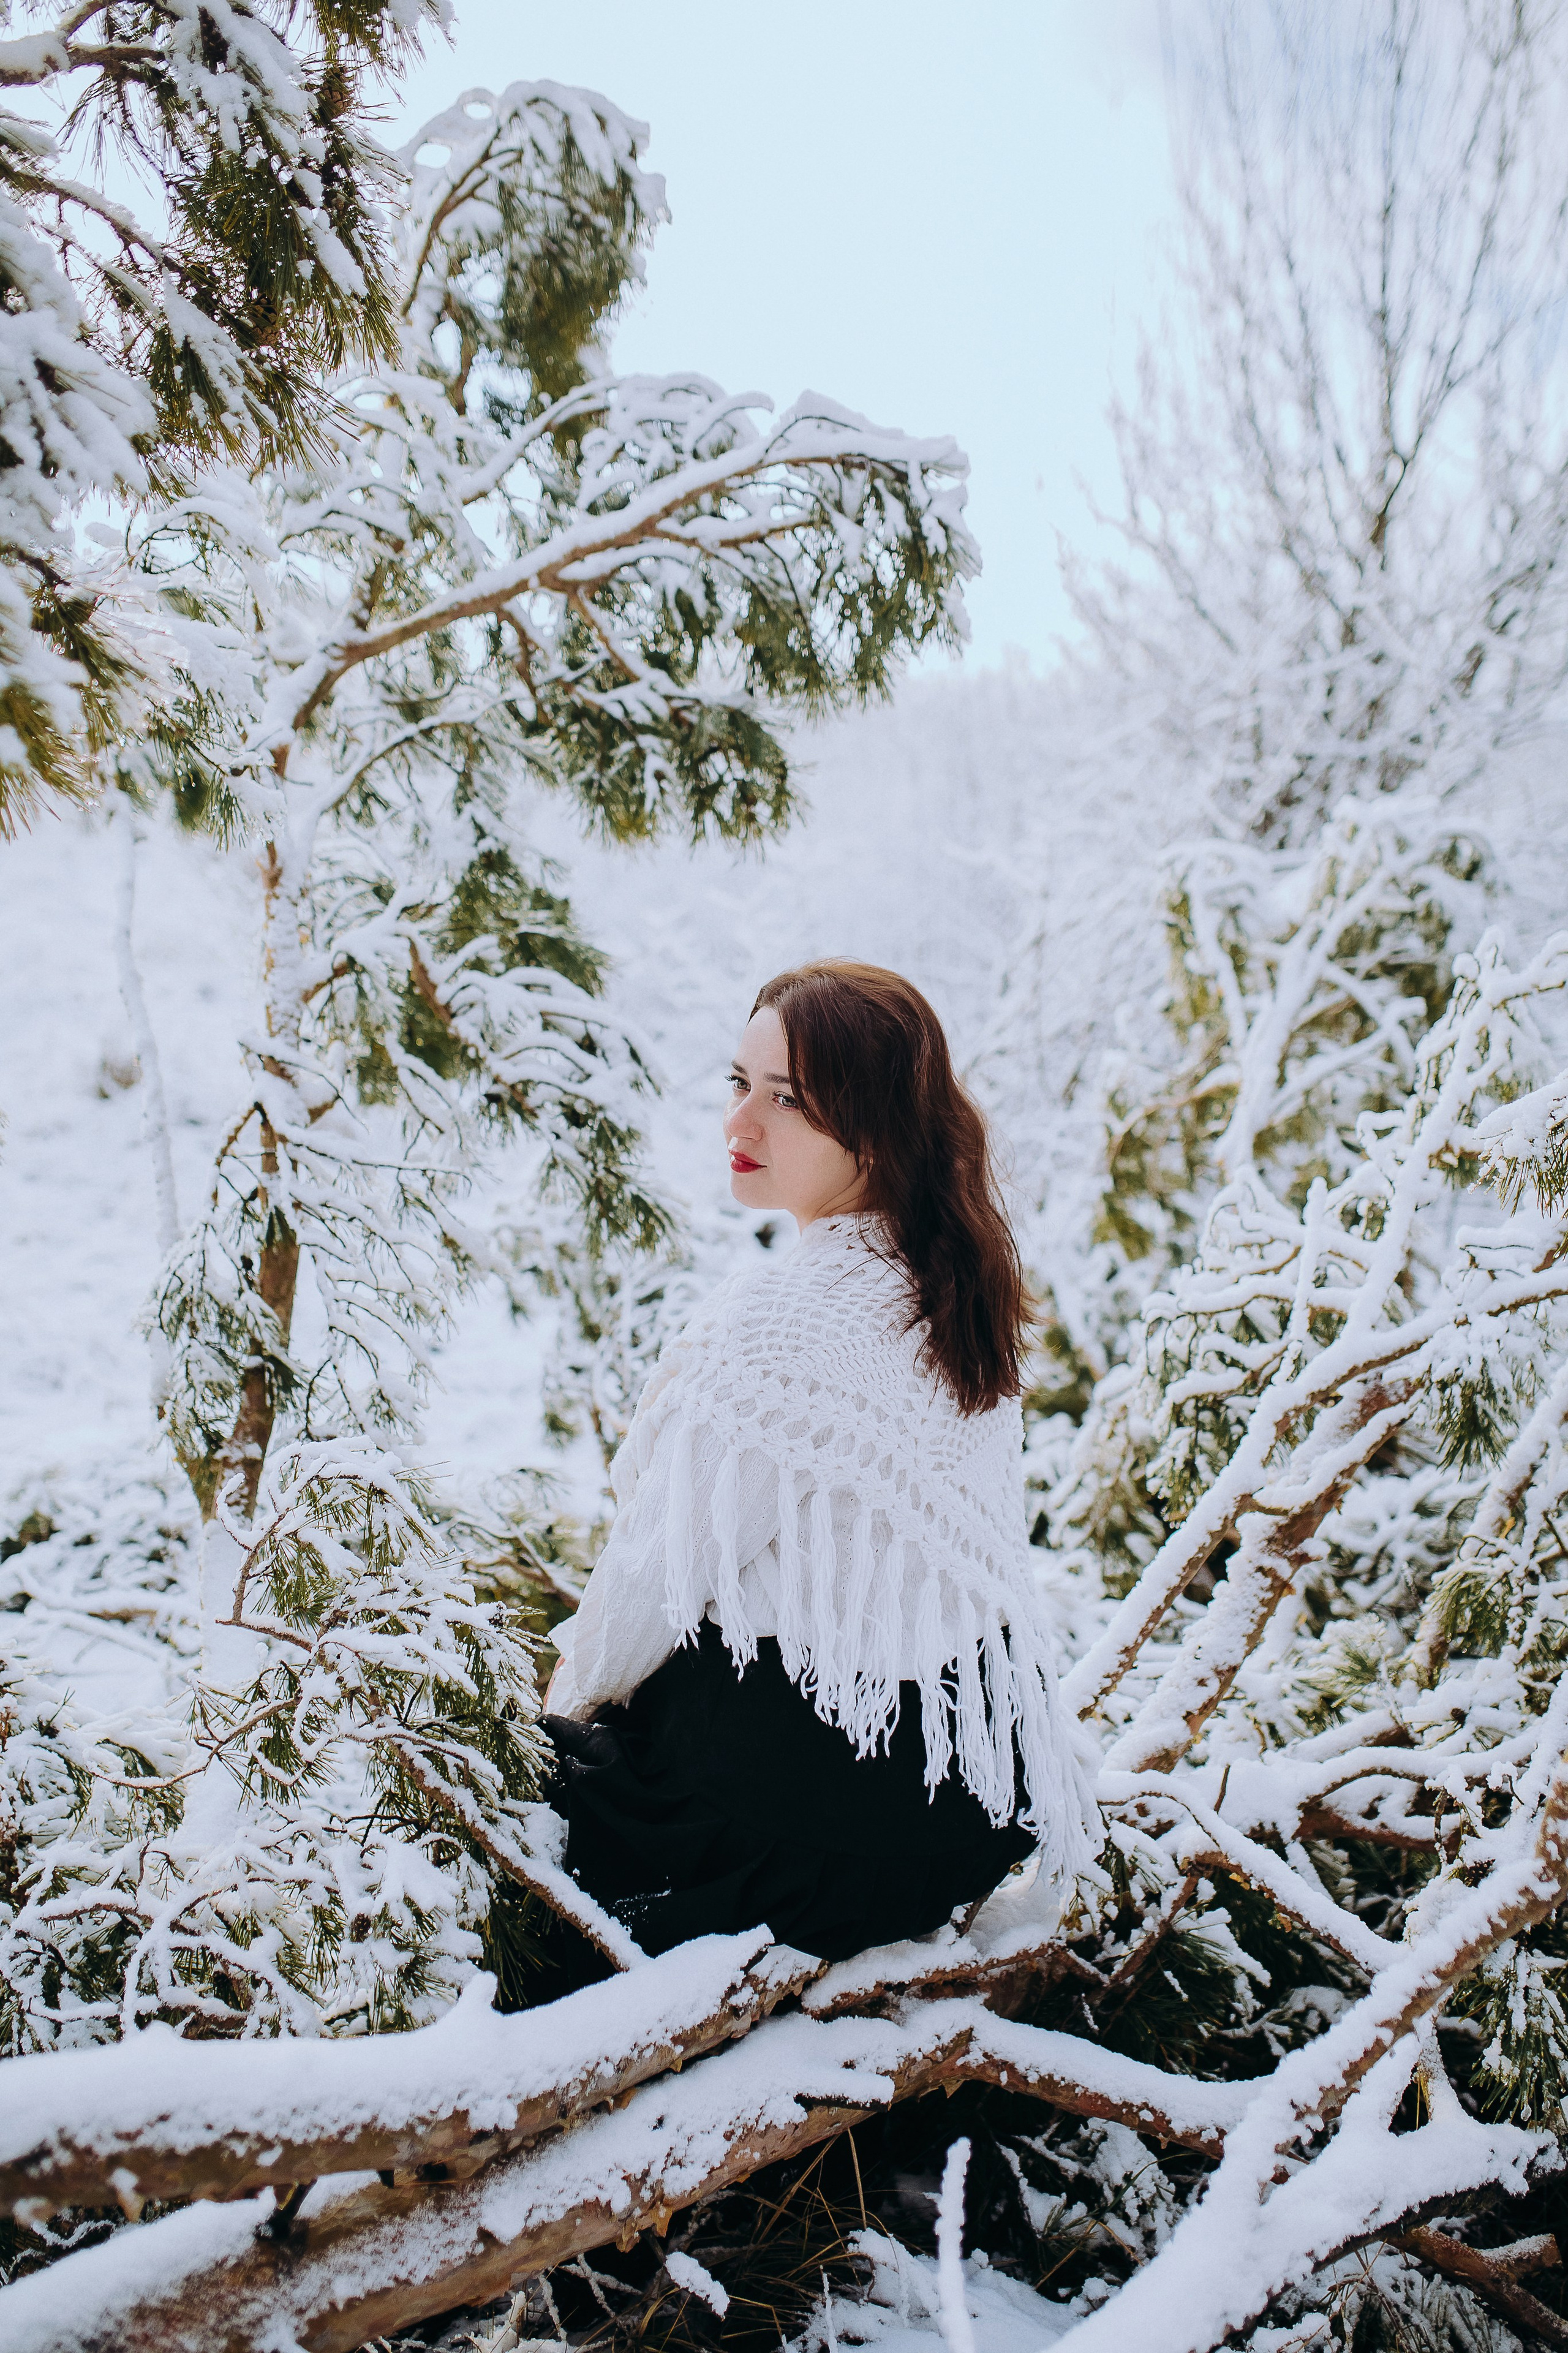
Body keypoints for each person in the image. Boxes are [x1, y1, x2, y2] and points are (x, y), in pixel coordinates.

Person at [543, 960, 1098, 1966]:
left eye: (787, 1099)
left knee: (532, 1778)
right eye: (738, 1083)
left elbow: (653, 1587)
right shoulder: (952, 1294)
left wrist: (560, 1726)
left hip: (799, 1842)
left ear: (874, 1125)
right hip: (950, 1826)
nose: (739, 1125)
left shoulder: (789, 1318)